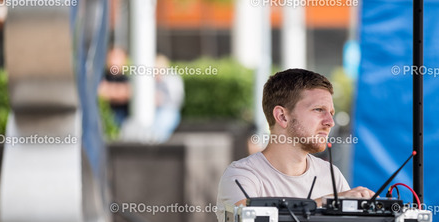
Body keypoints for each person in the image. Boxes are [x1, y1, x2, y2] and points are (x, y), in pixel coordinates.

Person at [217, 68, 373, 209]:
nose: (330, 122)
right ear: (282, 116)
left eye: (331, 113)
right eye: (319, 110)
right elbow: (252, 219)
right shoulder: (241, 176)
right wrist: (329, 202)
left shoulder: (331, 175)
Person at [152, 54, 184, 141]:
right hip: (154, 111)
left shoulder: (172, 79)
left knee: (161, 127)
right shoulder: (151, 80)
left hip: (169, 110)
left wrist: (162, 100)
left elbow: (177, 100)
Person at [98, 47, 131, 127]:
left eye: (117, 57)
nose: (114, 61)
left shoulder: (127, 78)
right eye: (112, 57)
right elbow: (100, 91)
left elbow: (129, 92)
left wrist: (109, 90)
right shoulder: (102, 75)